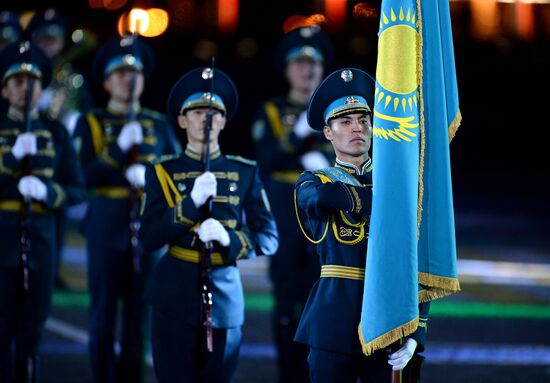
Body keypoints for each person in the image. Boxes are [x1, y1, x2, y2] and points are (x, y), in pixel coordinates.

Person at [139, 66, 279, 383]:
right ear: (181, 120)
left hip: (225, 297)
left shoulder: (244, 171)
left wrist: (230, 238)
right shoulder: (162, 171)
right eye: (197, 111)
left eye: (214, 112)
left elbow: (269, 238)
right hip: (173, 295)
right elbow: (148, 238)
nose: (206, 119)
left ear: (224, 121)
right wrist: (189, 206)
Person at [293, 68, 430, 382]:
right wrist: (388, 199)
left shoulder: (400, 181)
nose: (357, 128)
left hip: (390, 321)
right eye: (345, 122)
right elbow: (324, 198)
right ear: (328, 132)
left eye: (364, 120)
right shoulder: (315, 180)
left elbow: (420, 260)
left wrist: (417, 332)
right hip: (333, 325)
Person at [72, 35, 181, 383]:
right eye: (119, 73)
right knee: (103, 316)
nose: (128, 79)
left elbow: (177, 175)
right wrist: (118, 150)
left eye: (134, 72)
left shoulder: (158, 123)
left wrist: (149, 180)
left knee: (138, 318)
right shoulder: (90, 122)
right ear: (105, 81)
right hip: (106, 226)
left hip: (146, 228)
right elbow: (81, 178)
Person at [250, 25, 335, 382]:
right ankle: (288, 372)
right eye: (300, 64)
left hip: (325, 214)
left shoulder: (333, 113)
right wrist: (298, 136)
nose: (308, 71)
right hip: (286, 212)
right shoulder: (271, 111)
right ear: (287, 70)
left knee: (323, 292)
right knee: (286, 293)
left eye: (314, 64)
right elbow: (266, 159)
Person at [0, 41, 85, 382]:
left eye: (33, 82)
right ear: (4, 89)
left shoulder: (56, 132)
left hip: (41, 240)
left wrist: (48, 192)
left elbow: (76, 189)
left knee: (32, 332)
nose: (27, 89)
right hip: (2, 239)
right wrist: (8, 160)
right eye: (18, 82)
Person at [26, 8, 96, 291]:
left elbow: (85, 114)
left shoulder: (71, 76)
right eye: (42, 38)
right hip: (25, 152)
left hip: (59, 156)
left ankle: (50, 271)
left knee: (56, 215)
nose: (48, 44)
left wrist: (71, 121)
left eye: (53, 39)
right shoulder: (24, 72)